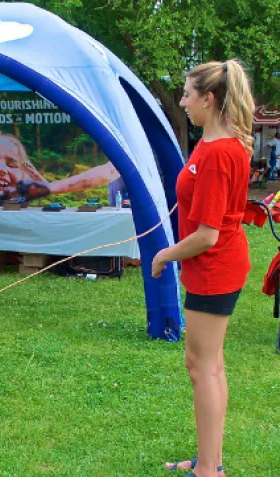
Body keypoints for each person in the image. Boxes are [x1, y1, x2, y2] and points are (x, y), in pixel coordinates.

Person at [152, 59, 254, 477]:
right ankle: (210, 461)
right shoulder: (213, 144)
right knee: (206, 364)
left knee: (202, 365)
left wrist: (162, 255)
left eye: (187, 95)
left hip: (215, 267)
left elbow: (208, 235)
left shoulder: (218, 153)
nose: (182, 101)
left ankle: (208, 470)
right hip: (214, 267)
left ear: (208, 99)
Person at [0, 131, 120, 206]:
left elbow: (108, 172)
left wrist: (46, 186)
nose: (1, 169)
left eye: (11, 164)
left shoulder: (21, 196)